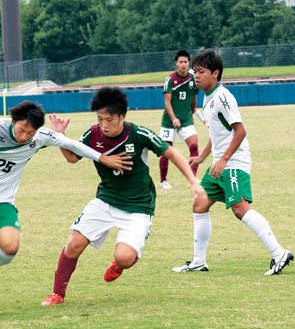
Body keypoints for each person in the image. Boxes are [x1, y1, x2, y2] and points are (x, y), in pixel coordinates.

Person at [0, 100, 131, 316]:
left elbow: (72, 145)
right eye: (21, 130)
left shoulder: (41, 136)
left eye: (30, 132)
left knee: (11, 249)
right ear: (13, 121)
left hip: (2, 200)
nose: (24, 136)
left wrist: (102, 158)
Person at [41, 87, 205, 306]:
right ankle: (57, 293)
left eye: (109, 119)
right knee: (74, 244)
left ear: (122, 116)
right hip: (106, 201)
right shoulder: (93, 134)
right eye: (100, 119)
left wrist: (193, 181)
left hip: (138, 207)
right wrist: (61, 136)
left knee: (124, 258)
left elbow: (172, 153)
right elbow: (72, 157)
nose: (104, 125)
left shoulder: (139, 134)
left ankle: (120, 264)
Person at [171, 50, 294, 276]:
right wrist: (203, 157)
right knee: (200, 204)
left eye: (201, 72)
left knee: (240, 210)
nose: (196, 76)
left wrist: (225, 159)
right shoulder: (208, 97)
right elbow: (218, 133)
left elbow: (240, 131)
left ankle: (279, 253)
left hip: (233, 163)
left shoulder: (223, 97)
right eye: (194, 72)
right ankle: (199, 260)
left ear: (215, 74)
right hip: (220, 163)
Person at [158, 49, 205, 189]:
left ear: (188, 63)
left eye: (186, 62)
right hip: (169, 121)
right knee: (166, 151)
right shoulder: (171, 79)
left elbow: (193, 100)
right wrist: (173, 118)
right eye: (181, 62)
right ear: (176, 63)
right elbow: (167, 102)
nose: (183, 64)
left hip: (185, 120)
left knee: (194, 146)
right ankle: (163, 180)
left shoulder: (192, 78)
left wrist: (191, 115)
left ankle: (193, 180)